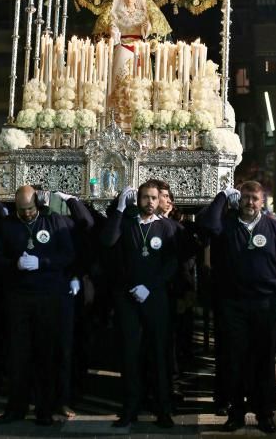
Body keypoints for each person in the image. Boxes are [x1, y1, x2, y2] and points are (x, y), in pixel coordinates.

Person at [196, 181, 276, 434]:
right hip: (232, 305)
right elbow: (206, 224)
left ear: (262, 201)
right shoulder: (226, 224)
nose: (250, 203)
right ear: (238, 200)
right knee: (234, 360)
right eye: (245, 198)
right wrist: (222, 196)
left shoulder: (274, 229)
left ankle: (265, 413)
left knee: (263, 361)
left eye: (255, 198)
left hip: (264, 305)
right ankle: (236, 413)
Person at [0, 185, 75, 426]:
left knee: (45, 355)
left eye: (30, 209)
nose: (27, 213)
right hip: (18, 297)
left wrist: (43, 262)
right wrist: (13, 265)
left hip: (47, 296)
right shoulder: (7, 225)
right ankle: (15, 408)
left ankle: (44, 409)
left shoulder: (54, 222)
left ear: (37, 203)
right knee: (17, 355)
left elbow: (68, 255)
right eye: (22, 209)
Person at [100, 181, 177, 430]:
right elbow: (108, 241)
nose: (150, 202)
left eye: (154, 198)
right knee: (130, 355)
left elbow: (171, 264)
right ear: (138, 199)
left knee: (158, 353)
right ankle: (129, 409)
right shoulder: (126, 223)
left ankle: (163, 410)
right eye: (145, 197)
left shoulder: (167, 228)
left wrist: (150, 287)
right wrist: (120, 208)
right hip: (128, 298)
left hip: (155, 299)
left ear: (159, 200)